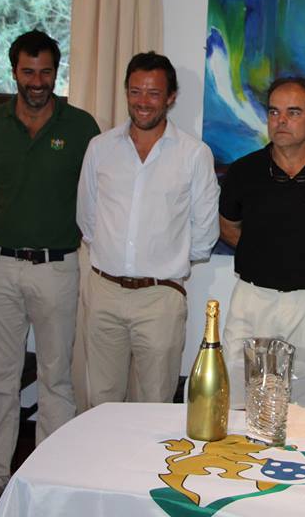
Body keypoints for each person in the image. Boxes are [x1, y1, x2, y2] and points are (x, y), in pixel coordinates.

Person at [0, 30, 100, 515]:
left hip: (58, 266)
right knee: (0, 378)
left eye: (45, 72)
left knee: (56, 378)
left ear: (55, 73)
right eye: (28, 72)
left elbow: (96, 194)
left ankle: (49, 480)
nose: (36, 81)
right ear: (14, 72)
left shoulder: (82, 126)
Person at [76, 51, 219, 406]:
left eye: (153, 93)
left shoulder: (194, 154)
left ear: (170, 98)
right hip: (103, 291)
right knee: (101, 401)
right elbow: (87, 218)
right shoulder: (100, 148)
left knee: (154, 403)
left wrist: (164, 264)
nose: (143, 102)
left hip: (161, 298)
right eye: (135, 91)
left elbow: (204, 231)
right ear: (126, 92)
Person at [219, 76, 305, 409]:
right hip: (254, 300)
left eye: (293, 112)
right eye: (274, 112)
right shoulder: (243, 171)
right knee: (240, 403)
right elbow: (228, 227)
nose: (281, 121)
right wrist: (268, 253)